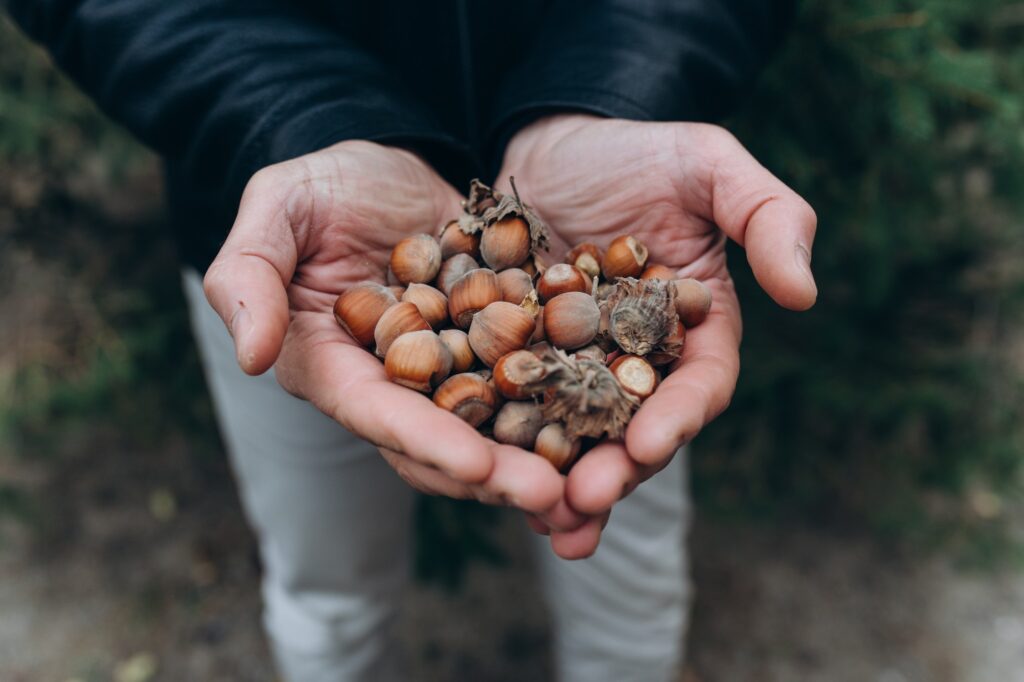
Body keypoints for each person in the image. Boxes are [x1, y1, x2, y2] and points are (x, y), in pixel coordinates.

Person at [7, 1, 818, 680]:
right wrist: (299, 121)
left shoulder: (574, 323)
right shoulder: (463, 307)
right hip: (295, 252)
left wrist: (617, 89)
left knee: (628, 579)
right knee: (330, 590)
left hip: (593, 168)